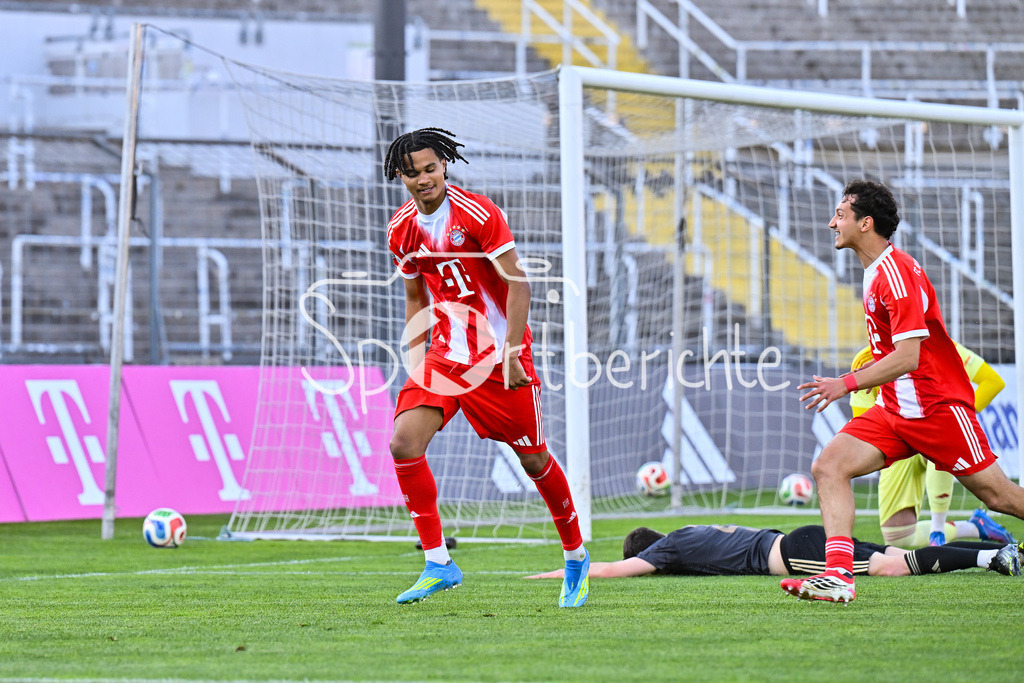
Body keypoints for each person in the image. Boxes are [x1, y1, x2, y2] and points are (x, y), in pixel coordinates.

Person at [788, 179, 1024, 603]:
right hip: (897, 410)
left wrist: (844, 383)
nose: (831, 223)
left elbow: (909, 357)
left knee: (1000, 496)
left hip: (936, 408)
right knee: (829, 467)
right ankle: (839, 577)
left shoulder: (895, 276)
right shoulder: (875, 270)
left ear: (866, 223)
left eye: (840, 215)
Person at [384, 127, 589, 606]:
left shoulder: (478, 212)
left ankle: (575, 555)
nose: (424, 180)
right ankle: (438, 563)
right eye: (413, 173)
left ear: (444, 167)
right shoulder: (401, 230)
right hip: (447, 354)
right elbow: (416, 297)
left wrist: (514, 351)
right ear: (401, 176)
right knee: (403, 442)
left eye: (431, 169)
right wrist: (416, 358)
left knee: (533, 458)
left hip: (499, 356)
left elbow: (519, 285)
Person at [849, 344, 1014, 548]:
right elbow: (862, 418)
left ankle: (937, 531)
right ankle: (975, 527)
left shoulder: (941, 346)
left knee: (944, 435)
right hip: (897, 441)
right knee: (898, 538)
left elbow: (993, 382)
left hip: (936, 430)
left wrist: (961, 416)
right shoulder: (864, 359)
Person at [525, 524, 1021, 579]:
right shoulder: (693, 531)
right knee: (894, 549)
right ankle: (997, 551)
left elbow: (610, 567)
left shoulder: (670, 550)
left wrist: (548, 576)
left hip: (790, 553)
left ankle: (991, 559)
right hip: (797, 536)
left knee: (893, 566)